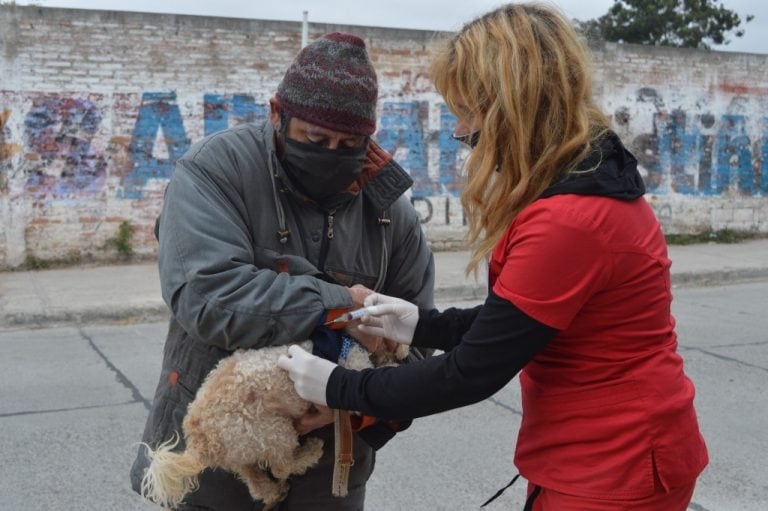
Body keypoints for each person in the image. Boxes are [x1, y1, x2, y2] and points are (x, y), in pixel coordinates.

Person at [277, 4, 709, 510]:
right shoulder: (591, 185)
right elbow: (523, 321)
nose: (460, 131)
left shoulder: (571, 220)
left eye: (468, 111)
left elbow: (471, 372)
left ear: (515, 106)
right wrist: (419, 325)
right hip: (602, 454)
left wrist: (341, 387)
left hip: (615, 465)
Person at [129, 32, 435, 510]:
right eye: (315, 139)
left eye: (349, 142)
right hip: (218, 459)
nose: (332, 152)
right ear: (277, 113)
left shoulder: (391, 210)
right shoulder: (215, 170)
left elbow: (418, 338)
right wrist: (341, 306)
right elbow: (208, 297)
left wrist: (354, 402)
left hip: (331, 467)